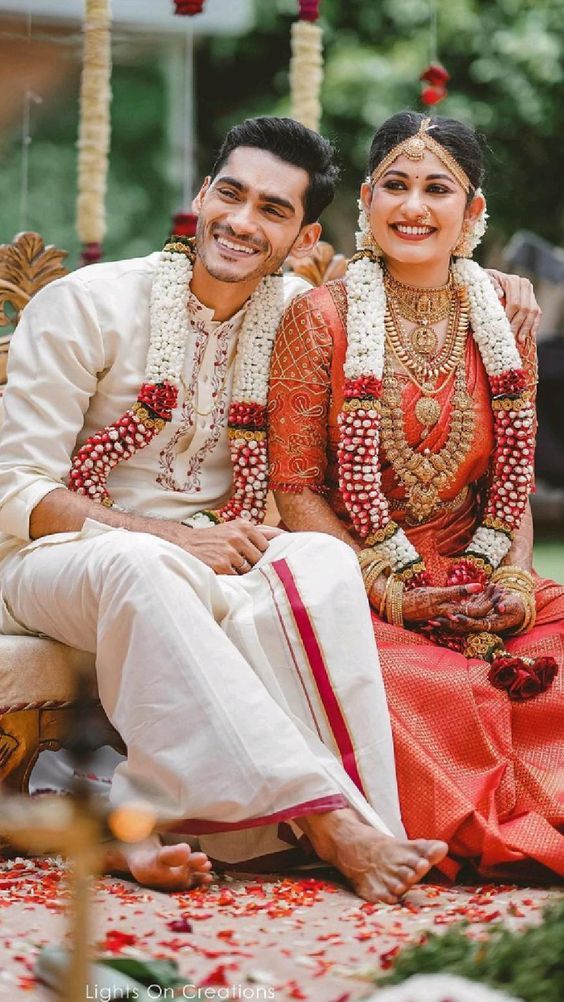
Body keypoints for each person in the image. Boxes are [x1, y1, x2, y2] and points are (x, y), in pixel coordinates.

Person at [0, 116, 453, 902]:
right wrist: (168, 536)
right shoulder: (90, 304)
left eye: (273, 210)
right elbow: (14, 490)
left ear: (304, 235)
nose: (242, 222)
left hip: (218, 555)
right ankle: (330, 826)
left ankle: (298, 813)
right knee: (139, 562)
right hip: (53, 565)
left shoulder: (297, 315)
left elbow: (412, 297)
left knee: (319, 558)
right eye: (232, 195)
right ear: (203, 194)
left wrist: (501, 286)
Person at [268, 111, 564, 881]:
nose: (414, 207)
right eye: (395, 185)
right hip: (360, 578)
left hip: (480, 570)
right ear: (365, 199)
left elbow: (513, 481)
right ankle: (499, 828)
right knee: (420, 686)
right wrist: (389, 592)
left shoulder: (507, 312)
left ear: (473, 212)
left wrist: (513, 585)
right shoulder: (318, 317)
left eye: (439, 189)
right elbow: (294, 487)